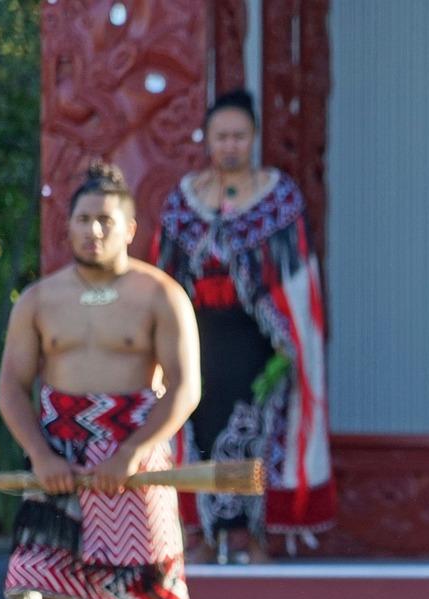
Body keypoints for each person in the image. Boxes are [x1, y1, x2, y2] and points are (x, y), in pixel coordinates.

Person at [0, 161, 200, 599]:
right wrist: (39, 453)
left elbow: (185, 387)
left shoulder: (160, 294)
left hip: (135, 459)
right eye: (84, 220)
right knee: (55, 597)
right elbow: (13, 386)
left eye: (105, 220)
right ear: (69, 226)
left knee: (145, 598)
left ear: (130, 227)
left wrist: (132, 452)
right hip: (57, 454)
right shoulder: (39, 298)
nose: (94, 231)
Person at [152, 88, 334, 564]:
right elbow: (163, 277)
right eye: (221, 136)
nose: (230, 145)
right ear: (208, 140)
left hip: (260, 343)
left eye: (238, 136)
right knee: (200, 431)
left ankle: (254, 534)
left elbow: (298, 282)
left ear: (252, 138)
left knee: (257, 434)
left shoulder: (280, 199)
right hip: (200, 340)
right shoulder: (183, 202)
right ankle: (203, 533)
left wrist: (288, 345)